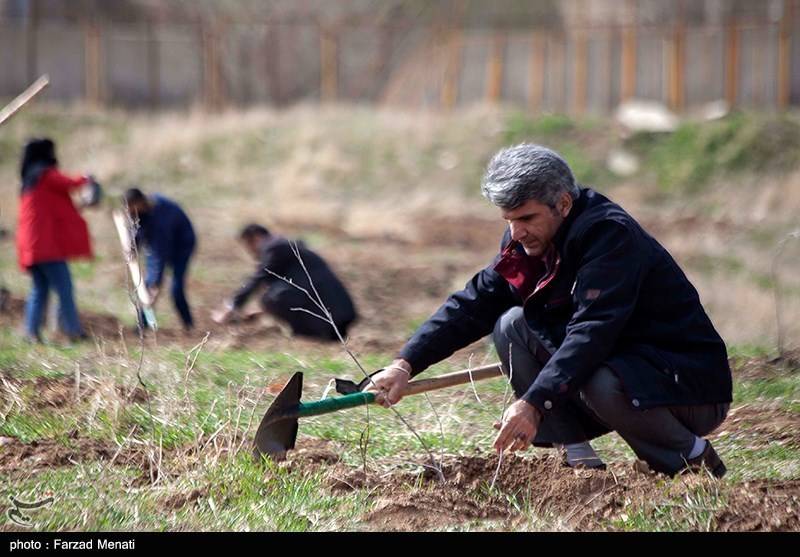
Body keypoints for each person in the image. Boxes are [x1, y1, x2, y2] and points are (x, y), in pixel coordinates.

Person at [367, 144, 733, 478]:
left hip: (685, 386)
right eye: (508, 220)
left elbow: (591, 334)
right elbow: (474, 303)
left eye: (526, 218)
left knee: (597, 375)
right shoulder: (526, 242)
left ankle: (692, 460)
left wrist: (532, 404)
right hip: (621, 371)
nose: (516, 232)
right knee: (511, 326)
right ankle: (578, 461)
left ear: (563, 204)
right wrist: (406, 363)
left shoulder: (610, 236)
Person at [213, 224, 357, 341]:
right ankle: (315, 335)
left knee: (271, 297)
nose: (250, 252)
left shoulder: (274, 247)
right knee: (272, 296)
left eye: (248, 246)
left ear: (255, 238)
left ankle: (304, 336)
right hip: (339, 312)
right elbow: (300, 285)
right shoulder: (287, 247)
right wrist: (263, 311)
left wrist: (231, 306)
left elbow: (259, 278)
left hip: (330, 314)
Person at [16, 138, 97, 342]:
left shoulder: (29, 181)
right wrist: (87, 178)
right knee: (64, 287)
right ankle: (72, 331)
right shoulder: (45, 175)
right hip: (46, 247)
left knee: (39, 289)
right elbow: (71, 183)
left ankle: (30, 331)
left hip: (30, 246)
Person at [123, 188, 196, 331]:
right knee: (147, 288)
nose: (129, 211)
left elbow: (159, 252)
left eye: (131, 207)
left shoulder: (161, 217)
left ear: (139, 202)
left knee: (175, 289)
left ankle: (189, 326)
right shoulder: (140, 212)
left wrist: (157, 282)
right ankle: (144, 325)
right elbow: (137, 229)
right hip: (158, 246)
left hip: (182, 247)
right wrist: (132, 245)